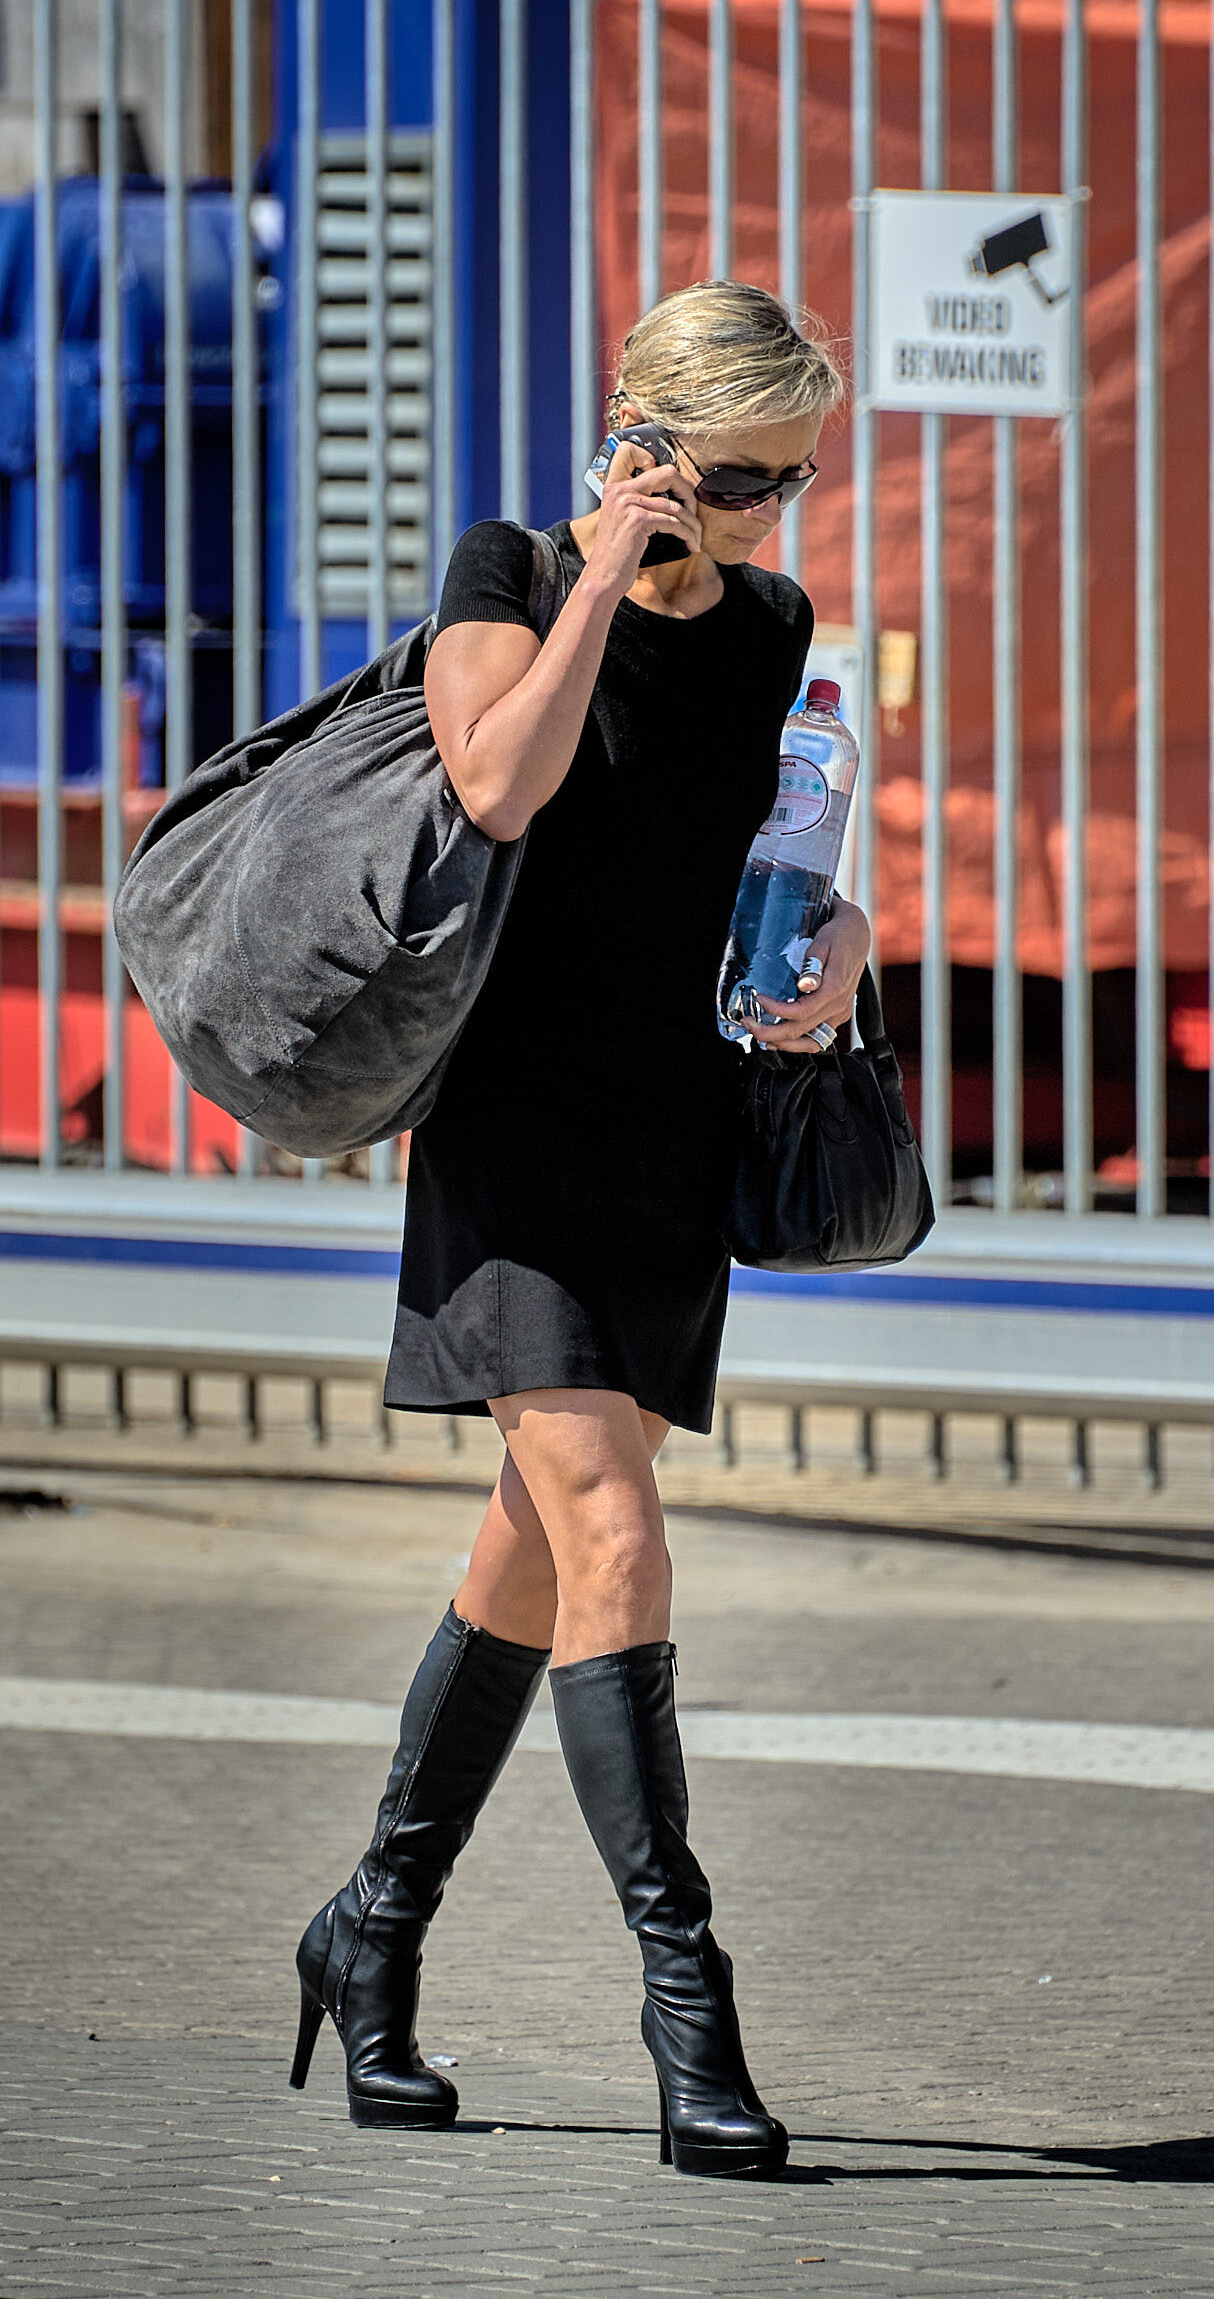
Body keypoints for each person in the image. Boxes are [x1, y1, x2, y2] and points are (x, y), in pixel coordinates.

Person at [289, 281, 864, 2180]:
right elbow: (496, 782)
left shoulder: (773, 627)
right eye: (741, 478)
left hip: (671, 1139)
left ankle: (369, 1929)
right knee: (610, 1525)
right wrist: (605, 576)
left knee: (533, 1550)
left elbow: (778, 860)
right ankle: (690, 2014)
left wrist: (844, 946)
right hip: (516, 1132)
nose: (770, 515)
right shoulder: (511, 573)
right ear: (645, 444)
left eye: (794, 479)